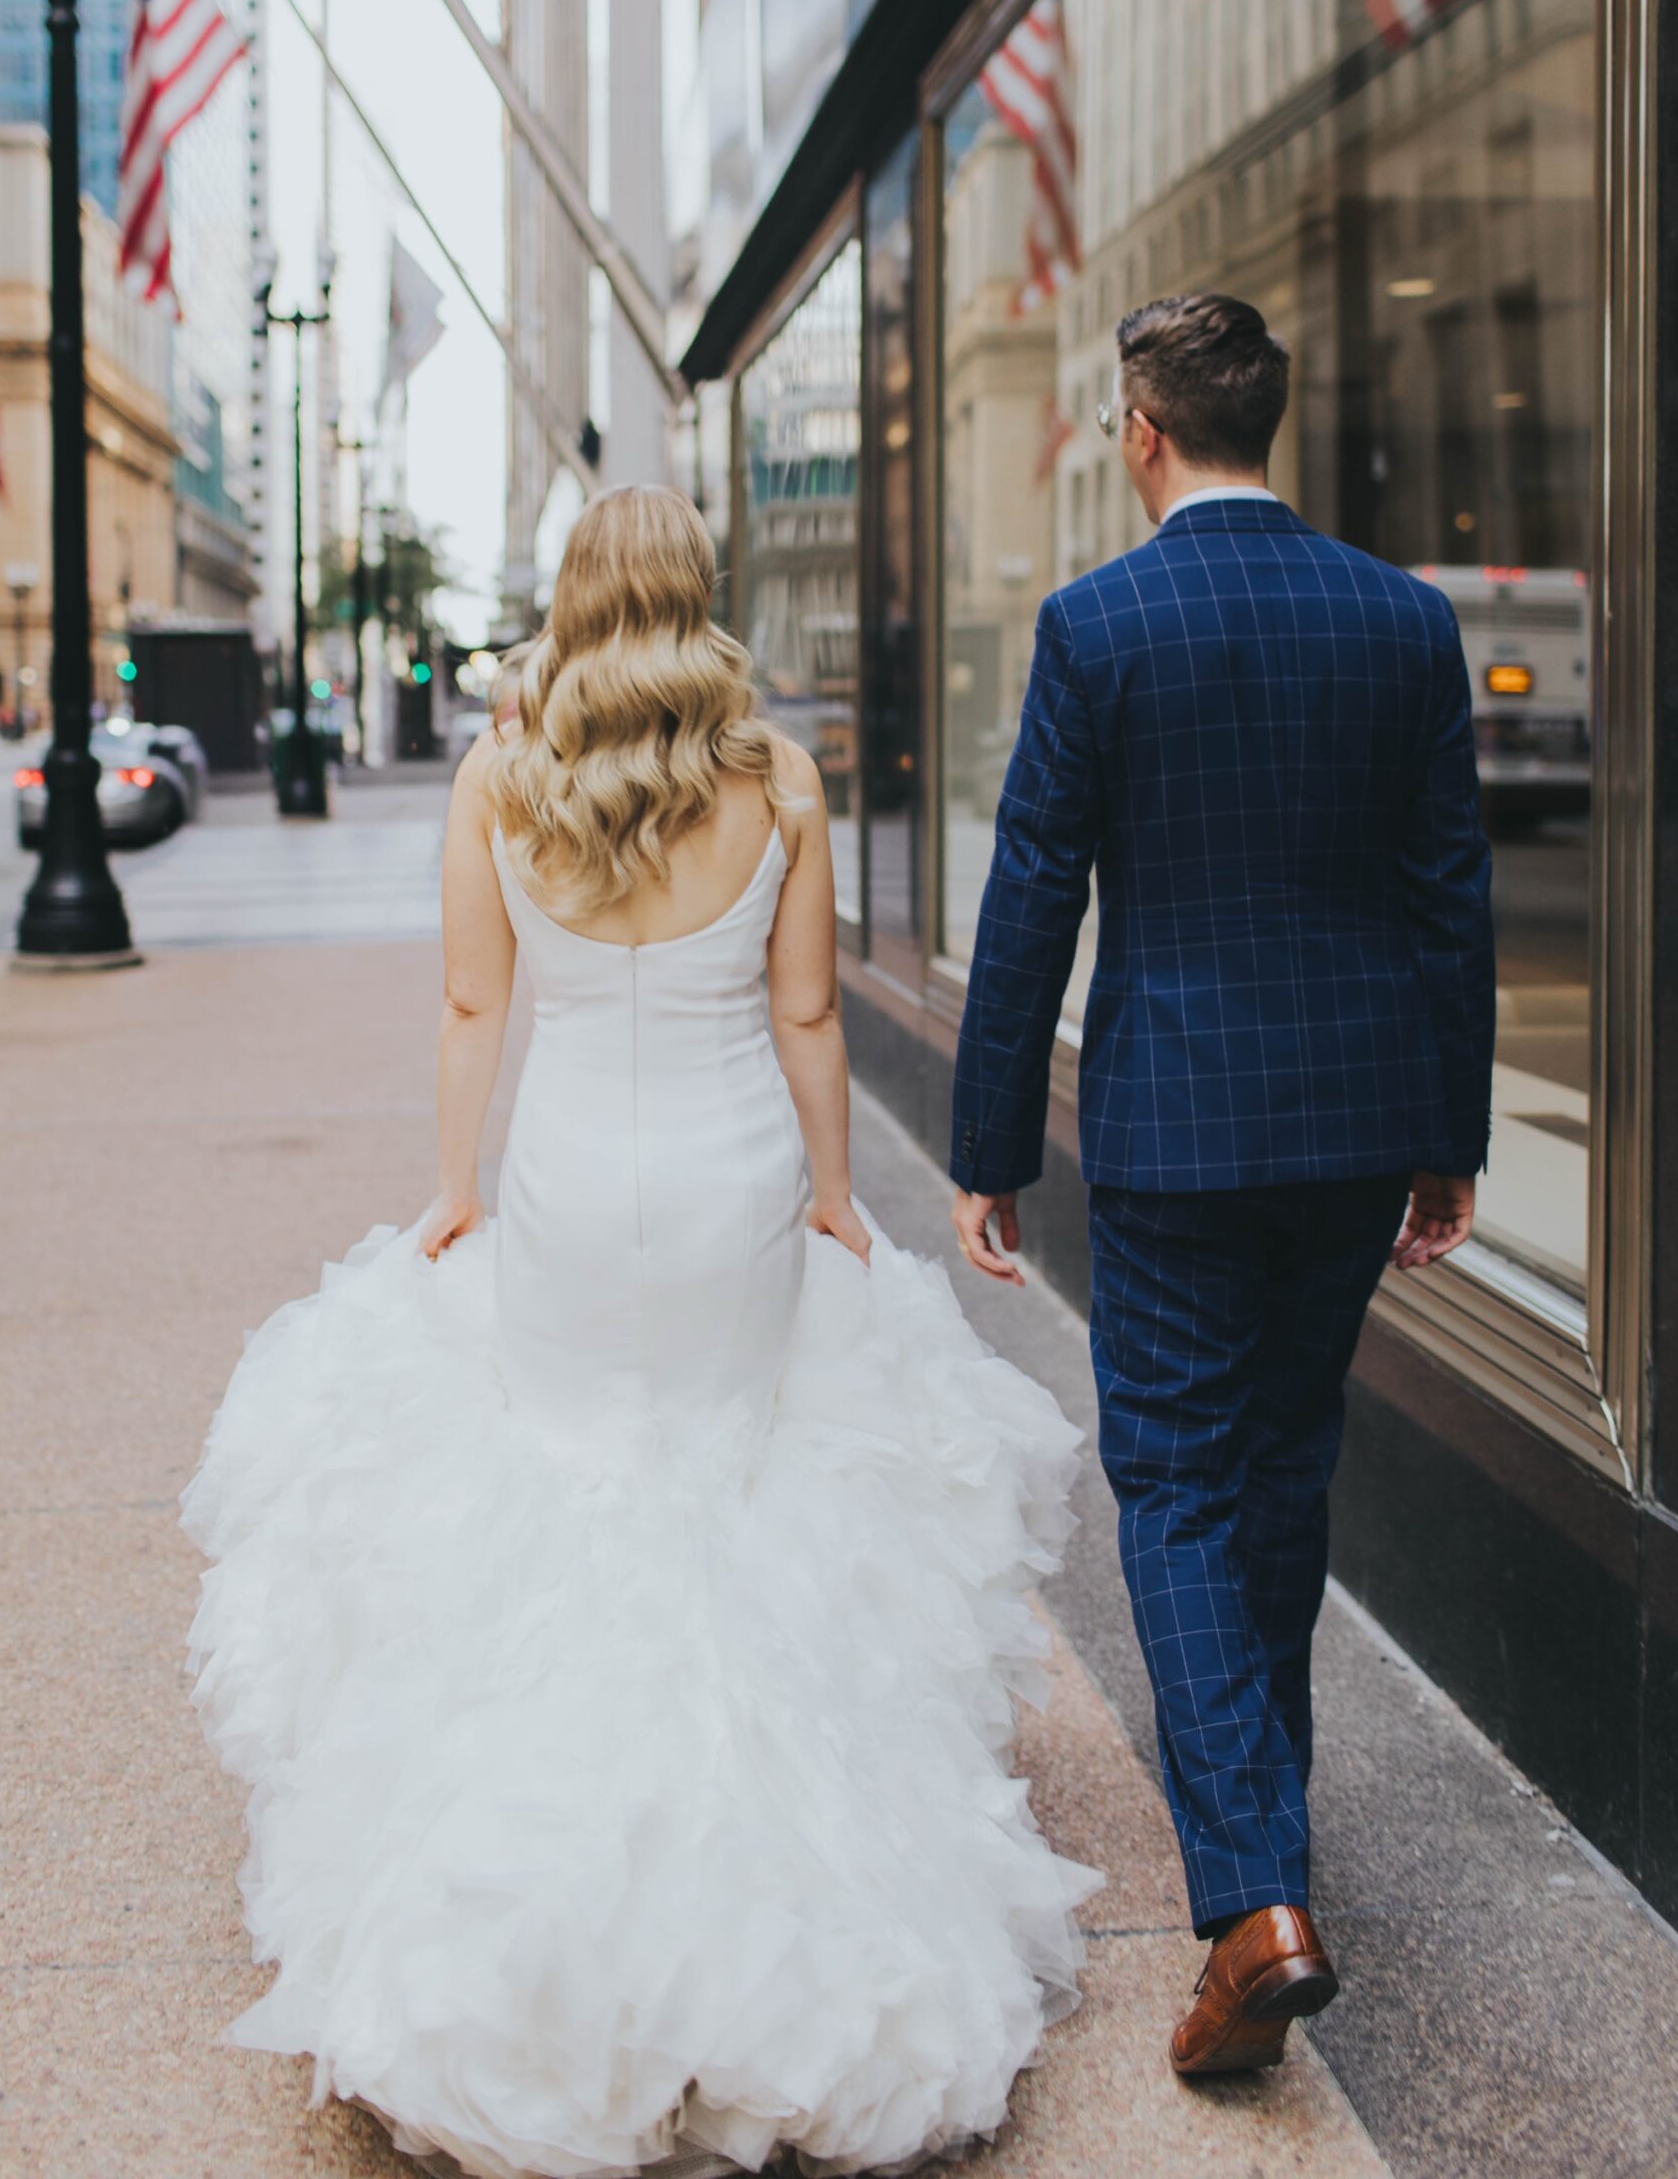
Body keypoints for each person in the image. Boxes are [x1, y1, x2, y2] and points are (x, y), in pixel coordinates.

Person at [183, 485, 1097, 2179]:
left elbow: (476, 1001)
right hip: (734, 1172)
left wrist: (453, 1186)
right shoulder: (779, 781)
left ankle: (540, 1916)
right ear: (698, 595)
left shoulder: (502, 777)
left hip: (574, 1187)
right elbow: (806, 1008)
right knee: (726, 1485)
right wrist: (835, 1192)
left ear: (570, 598)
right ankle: (774, 1910)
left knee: (579, 1476)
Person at [950, 291, 1495, 2078]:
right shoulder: (1401, 621)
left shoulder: (1101, 624)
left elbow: (1035, 887)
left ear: (1142, 432)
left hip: (1179, 1130)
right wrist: (1452, 1133)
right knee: (1280, 1468)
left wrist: (989, 1154)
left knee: (1174, 1485)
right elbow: (1448, 897)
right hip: (1352, 1124)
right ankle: (1278, 1835)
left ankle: (1255, 1902)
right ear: (1272, 421)